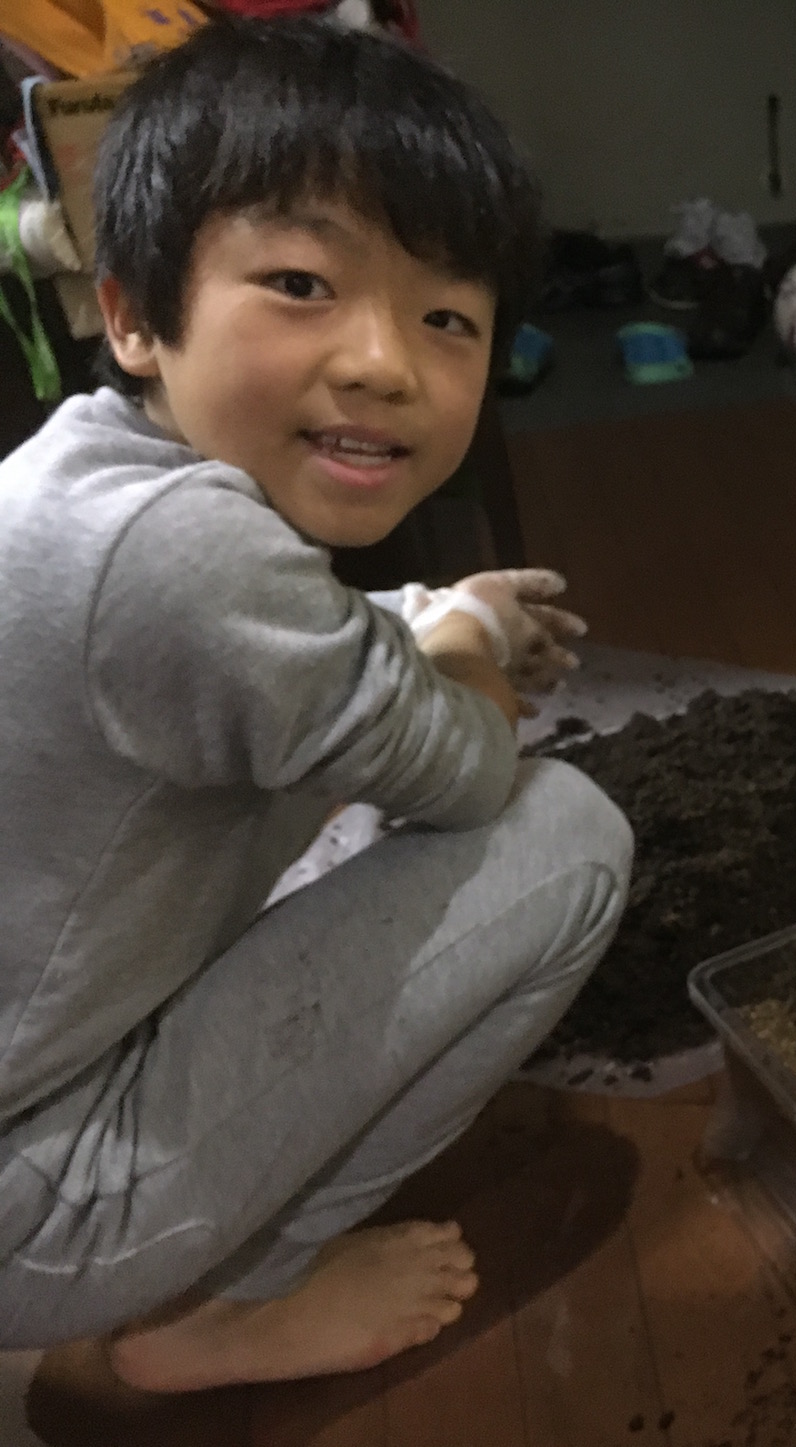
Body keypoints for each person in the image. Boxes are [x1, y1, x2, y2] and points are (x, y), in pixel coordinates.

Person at [0, 17, 635, 1394]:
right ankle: (226, 1303)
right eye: (301, 282)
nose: (384, 362)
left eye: (447, 318)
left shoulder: (82, 486)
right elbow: (465, 765)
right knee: (572, 835)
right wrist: (467, 642)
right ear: (134, 314)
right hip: (36, 1191)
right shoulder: (183, 556)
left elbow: (302, 640)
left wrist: (438, 619)